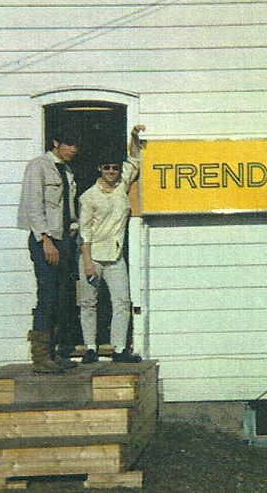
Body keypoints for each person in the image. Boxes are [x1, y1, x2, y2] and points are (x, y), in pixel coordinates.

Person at [78, 125, 145, 363]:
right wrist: (87, 262)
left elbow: (134, 160)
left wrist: (134, 137)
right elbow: (84, 232)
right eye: (107, 167)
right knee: (88, 303)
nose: (111, 171)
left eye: (114, 168)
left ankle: (118, 349)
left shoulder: (121, 187)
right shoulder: (88, 196)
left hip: (115, 256)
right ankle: (90, 348)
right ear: (99, 169)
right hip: (93, 256)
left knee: (122, 302)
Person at [17, 129, 80, 374]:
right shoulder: (39, 166)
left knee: (62, 296)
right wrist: (45, 239)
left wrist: (74, 227)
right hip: (46, 240)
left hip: (63, 240)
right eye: (69, 144)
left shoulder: (66, 170)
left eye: (76, 146)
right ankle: (40, 355)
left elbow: (67, 206)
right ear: (56, 142)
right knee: (47, 295)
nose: (73, 150)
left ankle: (54, 352)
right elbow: (34, 205)